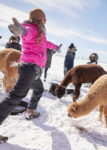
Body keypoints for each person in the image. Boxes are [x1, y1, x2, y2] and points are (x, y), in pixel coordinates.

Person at [0, 8, 61, 141]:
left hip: (33, 71)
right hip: (29, 68)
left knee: (38, 88)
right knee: (14, 97)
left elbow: (46, 44)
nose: (45, 22)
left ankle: (30, 110)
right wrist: (21, 31)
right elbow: (26, 32)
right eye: (44, 20)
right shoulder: (32, 28)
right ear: (41, 19)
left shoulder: (40, 34)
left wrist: (56, 47)